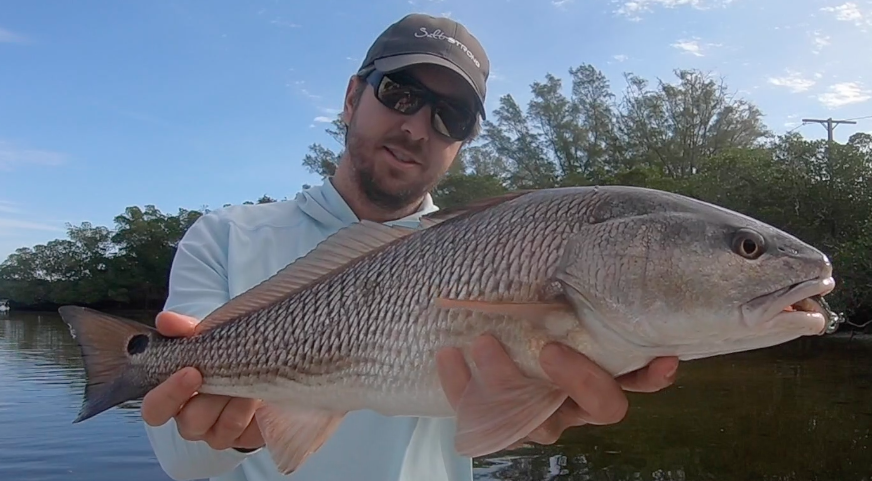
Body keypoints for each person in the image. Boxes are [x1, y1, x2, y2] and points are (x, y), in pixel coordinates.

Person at [141, 12, 680, 481]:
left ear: (463, 143)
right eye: (400, 94)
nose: (418, 128)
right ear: (352, 98)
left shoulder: (491, 247)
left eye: (452, 117)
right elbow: (179, 461)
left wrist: (532, 414)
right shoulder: (224, 237)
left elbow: (489, 419)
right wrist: (233, 429)